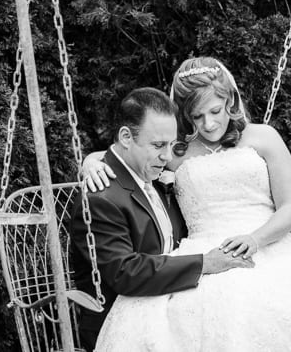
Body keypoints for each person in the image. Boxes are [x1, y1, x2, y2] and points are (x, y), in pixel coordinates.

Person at [81, 57, 291, 352]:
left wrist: (255, 239)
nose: (208, 124)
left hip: (269, 245)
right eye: (197, 116)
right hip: (204, 251)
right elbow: (127, 154)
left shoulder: (263, 137)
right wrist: (90, 162)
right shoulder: (178, 151)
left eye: (214, 111)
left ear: (230, 100)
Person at [68, 87, 252, 352]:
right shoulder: (101, 198)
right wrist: (205, 263)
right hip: (122, 326)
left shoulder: (149, 175)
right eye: (158, 145)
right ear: (126, 137)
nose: (167, 157)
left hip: (168, 305)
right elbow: (125, 273)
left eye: (170, 144)